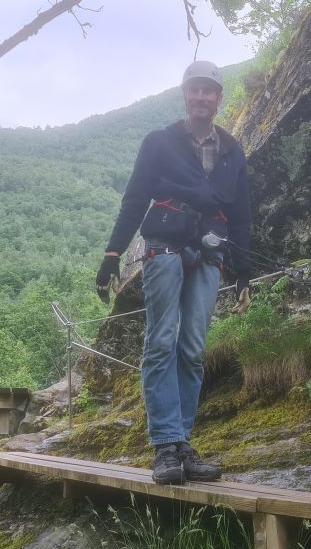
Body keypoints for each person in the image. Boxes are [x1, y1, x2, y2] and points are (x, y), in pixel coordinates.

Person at [95, 60, 252, 485]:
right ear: (185, 95)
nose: (202, 97)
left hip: (210, 252)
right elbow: (135, 198)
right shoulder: (160, 142)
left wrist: (244, 273)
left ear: (218, 99)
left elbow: (241, 213)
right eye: (195, 90)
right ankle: (165, 446)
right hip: (163, 247)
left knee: (193, 348)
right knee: (161, 341)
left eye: (209, 91)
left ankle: (183, 442)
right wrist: (112, 255)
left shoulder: (232, 151)